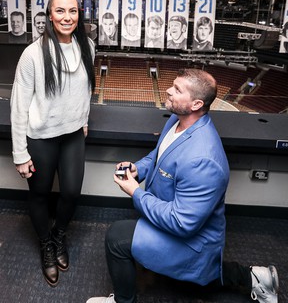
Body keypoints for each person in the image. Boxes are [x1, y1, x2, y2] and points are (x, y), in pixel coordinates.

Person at [86, 68, 279, 303]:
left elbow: (181, 223)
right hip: (175, 220)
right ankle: (254, 277)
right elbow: (158, 156)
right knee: (203, 279)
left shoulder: (203, 160)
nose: (168, 90)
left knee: (117, 237)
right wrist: (139, 169)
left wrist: (135, 192)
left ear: (196, 104)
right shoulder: (178, 121)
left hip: (191, 241)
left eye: (177, 90)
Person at [10, 0, 95, 287]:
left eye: (72, 11)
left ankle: (59, 236)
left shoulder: (88, 47)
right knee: (40, 195)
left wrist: (82, 120)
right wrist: (20, 153)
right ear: (49, 15)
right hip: (41, 138)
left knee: (71, 193)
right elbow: (19, 105)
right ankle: (46, 245)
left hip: (72, 135)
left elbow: (86, 91)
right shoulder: (32, 54)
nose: (67, 17)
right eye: (60, 11)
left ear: (79, 14)